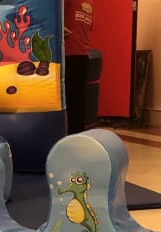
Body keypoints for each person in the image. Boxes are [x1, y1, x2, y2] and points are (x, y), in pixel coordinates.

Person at [63, 0, 94, 135]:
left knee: (69, 98)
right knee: (79, 98)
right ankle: (78, 134)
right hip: (83, 54)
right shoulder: (90, 2)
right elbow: (89, 26)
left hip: (69, 52)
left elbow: (57, 22)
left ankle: (70, 135)